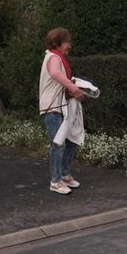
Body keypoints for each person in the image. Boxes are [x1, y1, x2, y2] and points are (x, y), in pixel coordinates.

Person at [38, 28, 85, 195]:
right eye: (67, 42)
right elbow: (56, 74)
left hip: (61, 106)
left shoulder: (58, 57)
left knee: (72, 140)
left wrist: (77, 89)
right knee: (57, 144)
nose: (69, 46)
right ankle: (56, 181)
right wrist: (73, 88)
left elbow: (60, 79)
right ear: (57, 43)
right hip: (52, 107)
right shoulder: (53, 57)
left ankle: (64, 175)